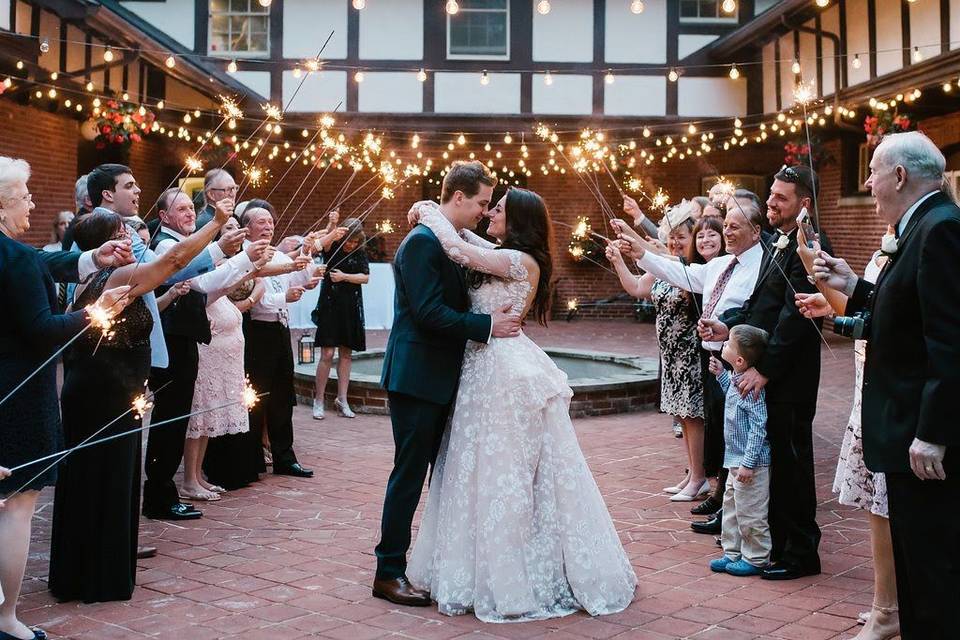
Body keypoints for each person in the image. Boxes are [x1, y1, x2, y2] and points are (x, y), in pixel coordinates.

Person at [404, 186, 637, 621]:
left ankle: (513, 573)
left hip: (502, 370)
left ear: (519, 221)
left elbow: (457, 248)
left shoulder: (520, 261)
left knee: (503, 467)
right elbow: (469, 243)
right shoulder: (504, 252)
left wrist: (430, 211)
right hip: (483, 364)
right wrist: (439, 216)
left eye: (499, 209)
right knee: (471, 464)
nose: (490, 213)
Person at [810, 131, 960, 639]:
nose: (867, 183)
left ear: (899, 176)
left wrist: (933, 430)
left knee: (933, 569)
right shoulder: (920, 224)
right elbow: (903, 311)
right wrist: (853, 285)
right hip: (903, 426)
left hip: (922, 435)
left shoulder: (940, 230)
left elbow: (948, 338)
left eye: (872, 171)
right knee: (917, 564)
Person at [49, 202, 232, 604]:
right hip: (105, 397)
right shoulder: (118, 274)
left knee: (90, 480)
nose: (130, 238)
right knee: (107, 479)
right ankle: (100, 577)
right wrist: (216, 224)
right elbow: (176, 260)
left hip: (96, 391)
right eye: (120, 234)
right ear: (102, 245)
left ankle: (78, 573)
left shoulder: (88, 280)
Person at [374, 162, 522, 607]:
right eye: (480, 202)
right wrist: (486, 325)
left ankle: (426, 562)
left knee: (432, 472)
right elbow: (427, 313)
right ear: (458, 198)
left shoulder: (444, 240)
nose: (483, 211)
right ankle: (387, 571)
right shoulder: (421, 243)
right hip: (417, 377)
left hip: (438, 376)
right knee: (409, 473)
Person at [0, 157, 131, 640]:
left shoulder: (18, 255)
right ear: (1, 204)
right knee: (16, 504)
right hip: (17, 395)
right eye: (25, 196)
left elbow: (39, 261)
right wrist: (95, 312)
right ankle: (7, 619)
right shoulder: (16, 258)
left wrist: (94, 259)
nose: (33, 202)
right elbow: (41, 331)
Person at [699, 166, 828, 580]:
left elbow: (797, 316)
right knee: (775, 460)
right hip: (771, 369)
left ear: (803, 204)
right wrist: (728, 328)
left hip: (791, 375)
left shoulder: (810, 245)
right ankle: (774, 544)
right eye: (771, 195)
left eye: (780, 198)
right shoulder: (780, 240)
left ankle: (801, 553)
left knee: (792, 463)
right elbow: (762, 303)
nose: (770, 202)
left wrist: (766, 371)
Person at [615, 198, 765, 536]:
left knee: (739, 437)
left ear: (756, 232)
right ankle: (725, 505)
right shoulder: (721, 265)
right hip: (715, 360)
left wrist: (727, 328)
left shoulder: (761, 266)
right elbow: (679, 271)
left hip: (739, 362)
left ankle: (737, 512)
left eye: (733, 226)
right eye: (725, 224)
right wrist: (639, 252)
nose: (726, 230)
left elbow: (757, 311)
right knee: (723, 435)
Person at [142, 189, 267, 515]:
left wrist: (245, 261)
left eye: (189, 208)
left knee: (180, 418)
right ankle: (161, 493)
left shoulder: (185, 242)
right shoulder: (167, 246)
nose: (187, 214)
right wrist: (240, 256)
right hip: (174, 340)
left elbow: (211, 283)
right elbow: (201, 281)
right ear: (164, 216)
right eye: (180, 209)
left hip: (186, 338)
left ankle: (171, 489)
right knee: (171, 422)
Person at [798, 243, 899, 640]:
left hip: (891, 395)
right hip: (867, 389)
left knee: (889, 503)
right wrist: (829, 304)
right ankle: (888, 599)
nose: (870, 182)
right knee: (878, 505)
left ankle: (888, 606)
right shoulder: (882, 250)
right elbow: (869, 311)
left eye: (875, 175)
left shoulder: (928, 238)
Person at [606, 200, 708, 502]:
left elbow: (664, 260)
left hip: (690, 351)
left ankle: (700, 477)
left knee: (692, 415)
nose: (675, 242)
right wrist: (617, 262)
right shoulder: (663, 266)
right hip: (670, 355)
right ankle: (692, 472)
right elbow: (638, 288)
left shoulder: (692, 269)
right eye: (672, 236)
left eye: (682, 236)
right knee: (681, 415)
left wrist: (631, 232)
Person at [182, 215, 268, 500]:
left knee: (209, 417)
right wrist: (246, 260)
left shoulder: (222, 263)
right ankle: (189, 479)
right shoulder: (203, 263)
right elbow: (208, 290)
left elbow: (227, 287)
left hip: (225, 351)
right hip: (208, 347)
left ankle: (197, 477)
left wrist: (252, 267)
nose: (235, 232)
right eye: (228, 228)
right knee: (198, 417)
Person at [239, 199, 323, 478]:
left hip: (279, 330)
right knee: (256, 397)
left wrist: (308, 255)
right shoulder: (245, 257)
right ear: (247, 228)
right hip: (256, 332)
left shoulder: (276, 254)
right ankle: (251, 460)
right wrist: (283, 297)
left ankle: (285, 457)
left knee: (282, 396)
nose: (268, 226)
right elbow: (257, 298)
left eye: (270, 222)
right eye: (261, 222)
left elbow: (301, 273)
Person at [707, 325, 772, 577]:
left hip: (750, 464)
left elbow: (759, 427)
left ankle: (756, 557)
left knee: (750, 512)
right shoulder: (737, 379)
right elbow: (731, 395)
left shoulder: (751, 389)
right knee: (732, 507)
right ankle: (732, 551)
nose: (724, 345)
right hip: (733, 460)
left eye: (729, 344)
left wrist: (749, 463)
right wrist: (722, 375)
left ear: (740, 359)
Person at [312, 218, 370, 420]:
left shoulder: (360, 251)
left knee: (346, 353)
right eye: (348, 241)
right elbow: (323, 243)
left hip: (350, 307)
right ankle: (318, 399)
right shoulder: (333, 246)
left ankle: (342, 399)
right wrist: (331, 224)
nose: (351, 245)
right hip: (330, 305)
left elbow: (365, 277)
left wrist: (344, 276)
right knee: (327, 353)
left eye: (354, 242)